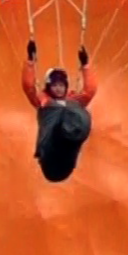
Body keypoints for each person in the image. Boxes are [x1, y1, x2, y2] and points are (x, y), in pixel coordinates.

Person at [21, 39, 97, 182]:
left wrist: (86, 65)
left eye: (61, 85)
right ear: (49, 87)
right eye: (54, 85)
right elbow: (28, 88)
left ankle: (74, 134)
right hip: (50, 158)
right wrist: (30, 61)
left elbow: (90, 91)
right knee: (66, 111)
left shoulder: (73, 100)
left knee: (75, 111)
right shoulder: (43, 102)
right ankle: (68, 133)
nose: (58, 88)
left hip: (66, 162)